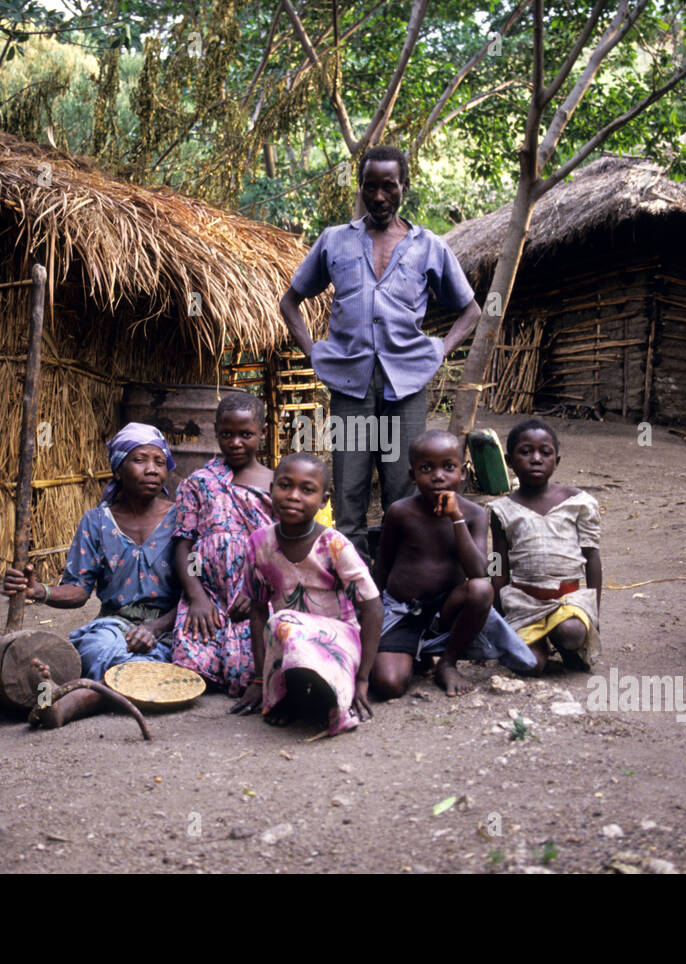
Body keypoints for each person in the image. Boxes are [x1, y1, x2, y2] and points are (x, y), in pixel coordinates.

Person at [280, 145, 482, 562]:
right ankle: (353, 589)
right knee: (349, 491)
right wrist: (316, 354)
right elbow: (289, 302)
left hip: (405, 385)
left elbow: (471, 309)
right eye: (370, 186)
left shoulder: (429, 246)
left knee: (403, 489)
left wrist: (439, 351)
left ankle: (397, 585)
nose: (378, 197)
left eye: (388, 187)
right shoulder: (335, 241)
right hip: (350, 386)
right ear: (360, 188)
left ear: (404, 187)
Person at [3, 423, 180, 726]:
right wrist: (38, 591)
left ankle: (73, 700)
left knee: (175, 660)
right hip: (115, 625)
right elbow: (78, 590)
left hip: (171, 624)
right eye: (140, 460)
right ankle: (106, 689)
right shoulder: (97, 522)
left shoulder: (183, 517)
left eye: (159, 462)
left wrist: (155, 629)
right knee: (98, 649)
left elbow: (200, 591)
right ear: (118, 470)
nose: (152, 469)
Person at [371, 430, 535, 698]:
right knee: (388, 684)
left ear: (463, 474)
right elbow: (383, 565)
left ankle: (447, 662)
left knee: (482, 589)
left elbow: (478, 571)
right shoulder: (400, 512)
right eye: (426, 468)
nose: (438, 476)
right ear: (412, 475)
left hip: (447, 613)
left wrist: (456, 518)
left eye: (448, 467)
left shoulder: (475, 514)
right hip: (403, 612)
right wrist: (373, 612)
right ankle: (415, 654)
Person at [231, 453, 382, 735]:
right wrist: (258, 682)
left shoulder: (334, 545)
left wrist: (363, 679)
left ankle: (322, 697)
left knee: (286, 622)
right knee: (283, 625)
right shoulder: (260, 542)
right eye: (285, 485)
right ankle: (297, 697)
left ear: (324, 501)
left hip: (337, 639)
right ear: (271, 489)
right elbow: (258, 611)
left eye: (307, 489)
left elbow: (373, 608)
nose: (294, 496)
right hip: (289, 641)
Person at [170, 393, 275, 697]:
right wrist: (196, 596)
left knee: (247, 670)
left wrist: (259, 589)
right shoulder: (199, 482)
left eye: (246, 434)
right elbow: (184, 545)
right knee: (188, 665)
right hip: (210, 596)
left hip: (254, 598)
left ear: (263, 433)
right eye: (227, 434)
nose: (236, 442)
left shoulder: (275, 483)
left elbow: (280, 548)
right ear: (215, 433)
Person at [489, 418, 602, 673]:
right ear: (509, 462)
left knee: (571, 632)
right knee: (530, 665)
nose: (536, 458)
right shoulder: (502, 510)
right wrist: (498, 618)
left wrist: (595, 613)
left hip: (567, 600)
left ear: (557, 461)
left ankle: (567, 645)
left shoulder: (577, 502)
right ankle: (539, 644)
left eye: (545, 452)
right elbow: (498, 564)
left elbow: (592, 556)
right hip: (523, 603)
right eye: (525, 452)